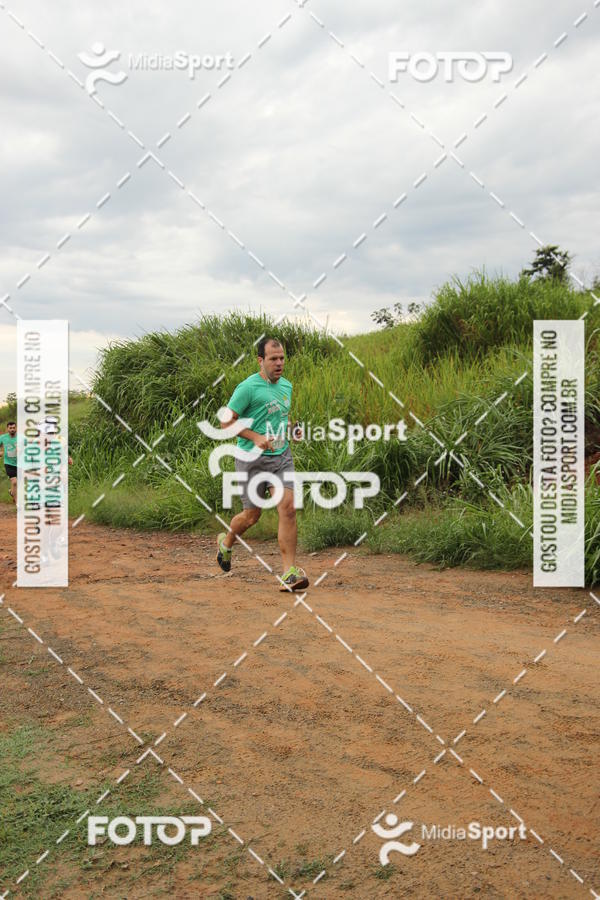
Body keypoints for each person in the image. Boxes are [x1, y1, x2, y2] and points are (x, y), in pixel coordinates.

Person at [216, 337, 309, 592]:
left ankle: (289, 573)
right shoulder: (247, 388)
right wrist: (255, 437)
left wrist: (293, 429)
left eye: (282, 358)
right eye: (273, 359)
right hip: (251, 460)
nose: (279, 363)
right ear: (261, 360)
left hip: (281, 457)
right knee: (251, 516)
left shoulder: (286, 385)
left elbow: (281, 416)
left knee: (288, 508)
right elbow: (225, 422)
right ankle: (227, 542)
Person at [0, 421, 18, 504]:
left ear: (16, 428)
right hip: (8, 463)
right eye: (10, 428)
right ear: (7, 429)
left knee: (18, 484)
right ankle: (18, 504)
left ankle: (12, 492)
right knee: (14, 482)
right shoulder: (3, 437)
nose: (12, 429)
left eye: (14, 428)